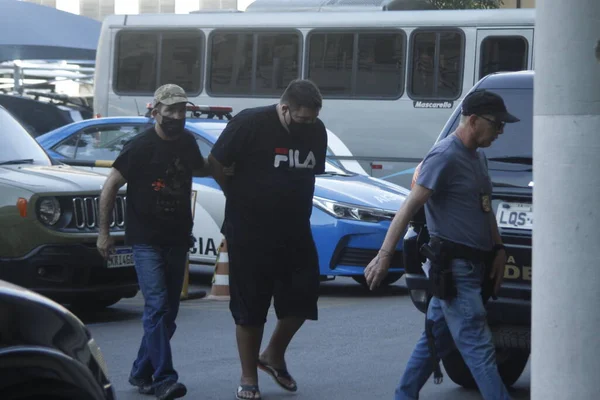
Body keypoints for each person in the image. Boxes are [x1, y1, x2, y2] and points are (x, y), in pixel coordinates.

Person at [364, 90, 520, 400]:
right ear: (473, 120)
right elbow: (408, 208)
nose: (501, 131)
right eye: (497, 124)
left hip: (475, 266)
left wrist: (499, 249)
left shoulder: (478, 157)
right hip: (456, 269)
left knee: (434, 340)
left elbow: (485, 207)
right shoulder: (445, 155)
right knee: (479, 347)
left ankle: (403, 395)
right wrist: (384, 255)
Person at [208, 79, 328, 400]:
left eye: (313, 118)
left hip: (295, 229)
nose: (308, 124)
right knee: (251, 304)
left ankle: (273, 355)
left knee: (304, 297)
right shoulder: (250, 123)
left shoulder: (316, 130)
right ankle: (249, 376)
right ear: (285, 108)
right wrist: (235, 194)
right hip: (249, 230)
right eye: (302, 118)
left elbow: (309, 174)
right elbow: (216, 161)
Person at [97, 84, 211, 400]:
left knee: (168, 315)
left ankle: (140, 371)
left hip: (177, 238)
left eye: (182, 110)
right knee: (158, 306)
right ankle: (164, 378)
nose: (177, 116)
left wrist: (232, 160)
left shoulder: (187, 142)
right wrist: (104, 233)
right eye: (171, 110)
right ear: (156, 110)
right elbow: (109, 188)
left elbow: (203, 167)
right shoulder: (140, 146)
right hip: (146, 241)